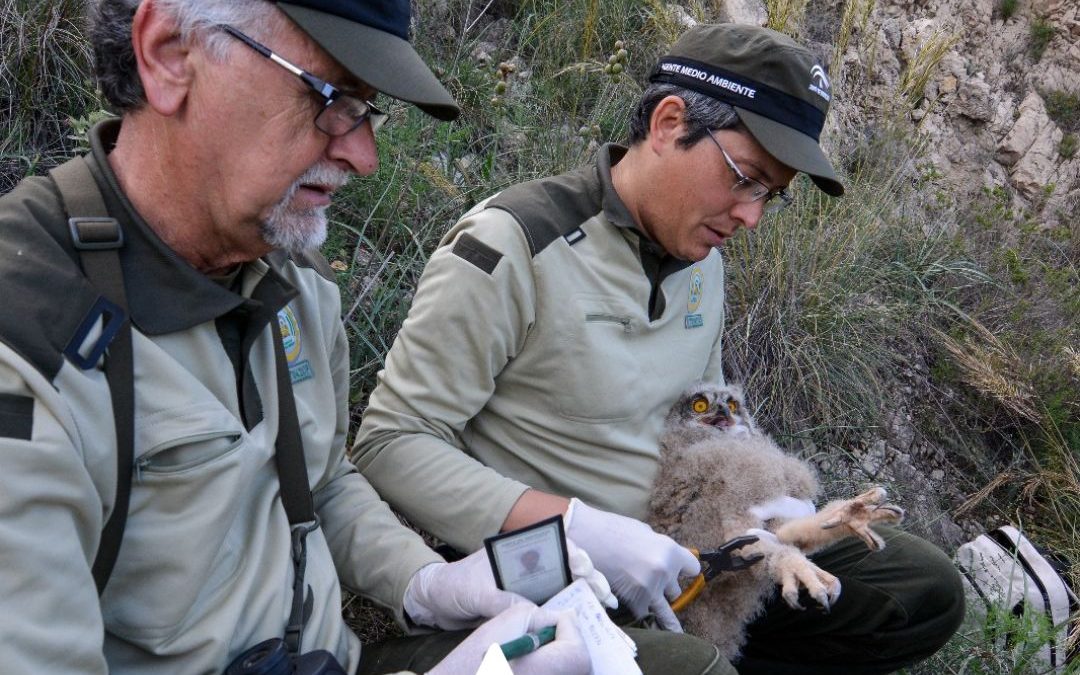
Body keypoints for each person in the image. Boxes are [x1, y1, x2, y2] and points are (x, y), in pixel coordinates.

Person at [0, 1, 603, 672]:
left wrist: (424, 582)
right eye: (329, 97)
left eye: (366, 109)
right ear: (170, 55)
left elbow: (320, 479)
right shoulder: (26, 337)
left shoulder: (292, 275)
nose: (364, 156)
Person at [355, 22, 966, 674]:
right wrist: (577, 526)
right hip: (566, 577)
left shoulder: (702, 261)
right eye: (746, 177)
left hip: (697, 551)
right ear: (669, 123)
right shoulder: (514, 244)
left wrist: (767, 511)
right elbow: (391, 442)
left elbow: (706, 418)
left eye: (771, 195)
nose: (752, 216)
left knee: (919, 587)